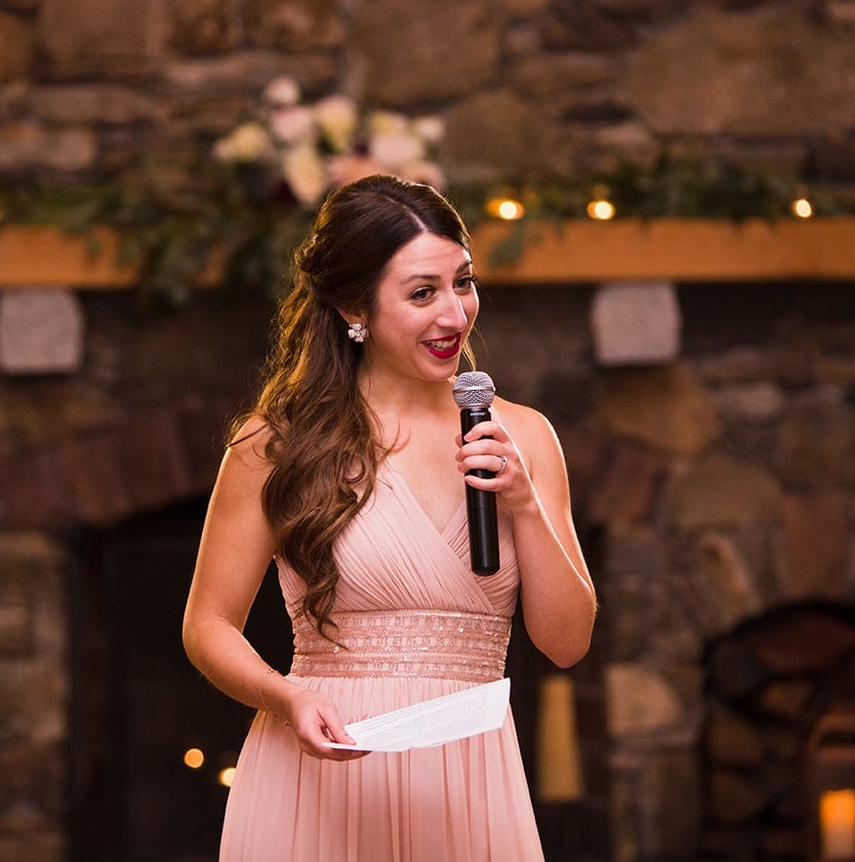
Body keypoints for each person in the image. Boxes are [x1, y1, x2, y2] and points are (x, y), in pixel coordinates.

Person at [182, 174, 596, 861]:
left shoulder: (523, 435)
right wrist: (286, 698)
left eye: (461, 282)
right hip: (316, 777)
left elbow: (566, 641)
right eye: (421, 293)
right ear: (354, 307)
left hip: (468, 786)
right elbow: (207, 624)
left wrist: (522, 501)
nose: (453, 316)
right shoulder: (274, 445)